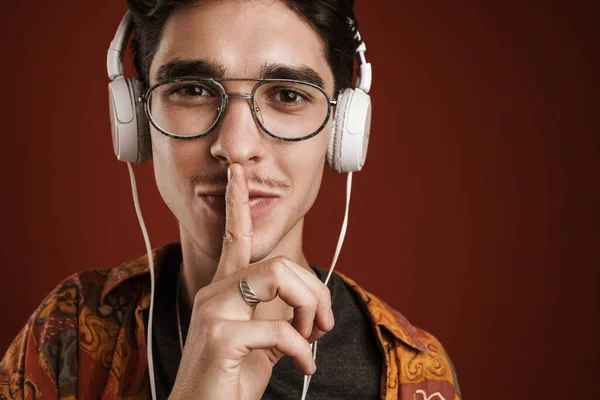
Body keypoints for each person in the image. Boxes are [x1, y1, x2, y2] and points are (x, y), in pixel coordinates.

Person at [0, 0, 461, 399]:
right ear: (135, 121)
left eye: (287, 94)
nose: (236, 147)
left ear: (343, 132)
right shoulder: (68, 334)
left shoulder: (411, 372)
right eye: (193, 90)